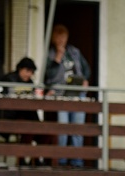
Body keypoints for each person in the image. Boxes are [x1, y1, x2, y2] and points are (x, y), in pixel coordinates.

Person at [44, 24, 91, 168]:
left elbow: (86, 69)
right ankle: (61, 160)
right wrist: (57, 59)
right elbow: (48, 76)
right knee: (63, 128)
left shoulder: (74, 52)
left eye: (63, 37)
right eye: (58, 37)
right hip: (60, 93)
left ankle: (77, 160)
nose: (61, 40)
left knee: (78, 128)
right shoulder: (50, 53)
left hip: (77, 93)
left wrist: (85, 80)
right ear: (53, 38)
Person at [0, 57, 44, 165]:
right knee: (30, 126)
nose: (29, 74)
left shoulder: (31, 83)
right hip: (10, 116)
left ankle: (33, 158)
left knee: (35, 129)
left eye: (31, 72)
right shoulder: (9, 79)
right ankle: (29, 159)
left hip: (26, 116)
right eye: (27, 71)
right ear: (20, 69)